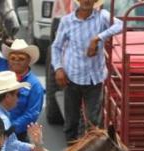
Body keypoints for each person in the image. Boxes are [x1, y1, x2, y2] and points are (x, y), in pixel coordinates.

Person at [51, 0, 123, 143]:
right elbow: (56, 47)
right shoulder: (67, 21)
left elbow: (121, 25)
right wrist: (58, 68)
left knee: (93, 124)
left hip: (94, 79)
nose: (87, 1)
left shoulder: (102, 16)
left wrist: (98, 38)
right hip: (72, 78)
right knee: (71, 123)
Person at [0, 6, 44, 141]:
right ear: (8, 59)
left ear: (28, 61)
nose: (16, 61)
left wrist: (8, 128)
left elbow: (32, 114)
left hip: (17, 135)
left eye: (21, 59)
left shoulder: (35, 85)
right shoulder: (0, 64)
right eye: (13, 58)